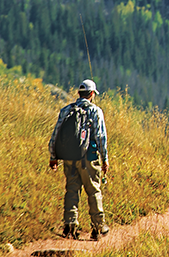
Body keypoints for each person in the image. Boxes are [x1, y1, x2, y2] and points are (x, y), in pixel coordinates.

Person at [48, 79, 110, 241]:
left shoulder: (66, 110)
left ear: (79, 93)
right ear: (92, 94)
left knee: (72, 190)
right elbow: (101, 137)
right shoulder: (96, 111)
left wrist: (53, 156)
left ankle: (70, 226)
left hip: (69, 157)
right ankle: (97, 227)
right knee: (93, 190)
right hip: (89, 157)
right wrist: (105, 159)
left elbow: (56, 134)